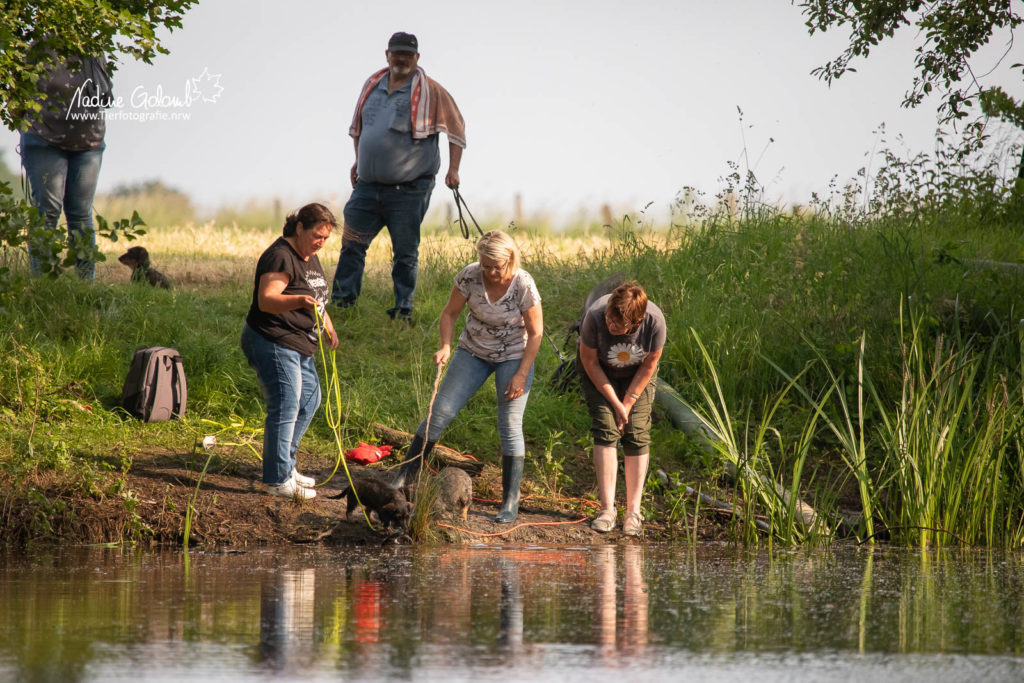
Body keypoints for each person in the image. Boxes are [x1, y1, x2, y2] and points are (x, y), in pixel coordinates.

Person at [392, 230, 542, 523]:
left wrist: (521, 373)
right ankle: (403, 477)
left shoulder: (523, 283)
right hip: (473, 350)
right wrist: (446, 346)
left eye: (496, 266)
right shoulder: (470, 276)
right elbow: (449, 314)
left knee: (510, 424)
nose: (491, 271)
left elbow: (536, 333)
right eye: (486, 265)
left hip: (514, 355)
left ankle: (510, 500)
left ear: (510, 260)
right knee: (439, 412)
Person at [330, 31, 466, 322]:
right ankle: (342, 304)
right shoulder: (372, 86)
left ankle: (403, 309)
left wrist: (453, 170)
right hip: (367, 186)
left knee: (405, 253)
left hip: (409, 189)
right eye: (397, 53)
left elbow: (456, 129)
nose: (402, 58)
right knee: (352, 243)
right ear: (387, 54)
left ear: (417, 58)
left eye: (408, 54)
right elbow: (360, 128)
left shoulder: (432, 90)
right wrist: (358, 160)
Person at [241, 203, 339, 500]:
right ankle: (277, 479)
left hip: (300, 343)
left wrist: (328, 326)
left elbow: (316, 297)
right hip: (272, 339)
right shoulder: (280, 255)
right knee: (286, 404)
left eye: (325, 238)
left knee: (310, 400)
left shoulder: (310, 256)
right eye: (317, 235)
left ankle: (287, 464)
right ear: (299, 228)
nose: (321, 242)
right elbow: (267, 300)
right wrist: (297, 302)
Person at [578, 282, 665, 536]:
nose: (609, 325)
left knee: (637, 432)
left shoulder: (654, 324)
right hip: (599, 371)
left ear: (635, 322)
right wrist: (616, 405)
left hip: (637, 375)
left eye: (617, 324)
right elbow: (589, 362)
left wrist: (628, 403)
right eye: (609, 318)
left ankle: (633, 512)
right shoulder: (595, 317)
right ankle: (607, 510)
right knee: (606, 428)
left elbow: (649, 366)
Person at [19, 53, 113, 279]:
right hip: (44, 141)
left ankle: (84, 286)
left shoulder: (94, 51)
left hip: (88, 143)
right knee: (46, 211)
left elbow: (104, 94)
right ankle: (40, 283)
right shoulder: (38, 48)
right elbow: (18, 96)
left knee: (81, 214)